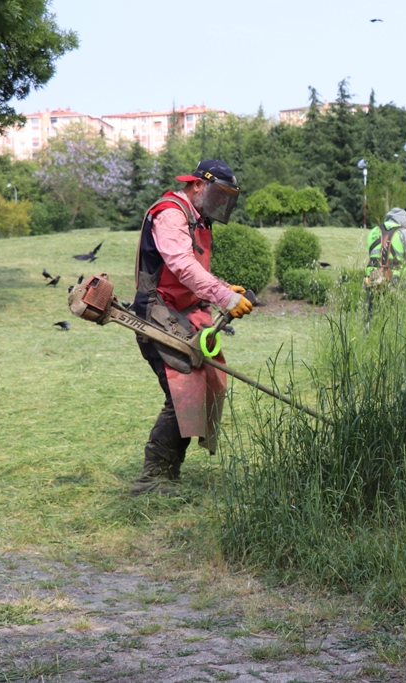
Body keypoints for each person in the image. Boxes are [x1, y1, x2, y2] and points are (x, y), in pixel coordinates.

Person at [129, 159, 253, 495]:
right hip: (158, 313)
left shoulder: (196, 219)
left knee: (202, 387)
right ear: (198, 185)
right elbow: (182, 267)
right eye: (217, 193)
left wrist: (225, 287)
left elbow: (192, 269)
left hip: (182, 312)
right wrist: (224, 297)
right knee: (183, 394)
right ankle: (151, 479)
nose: (219, 202)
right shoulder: (171, 213)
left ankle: (168, 474)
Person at [364, 207, 406, 318]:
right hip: (395, 281)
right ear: (405, 220)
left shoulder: (373, 231)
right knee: (394, 321)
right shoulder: (404, 232)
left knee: (372, 318)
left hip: (372, 279)